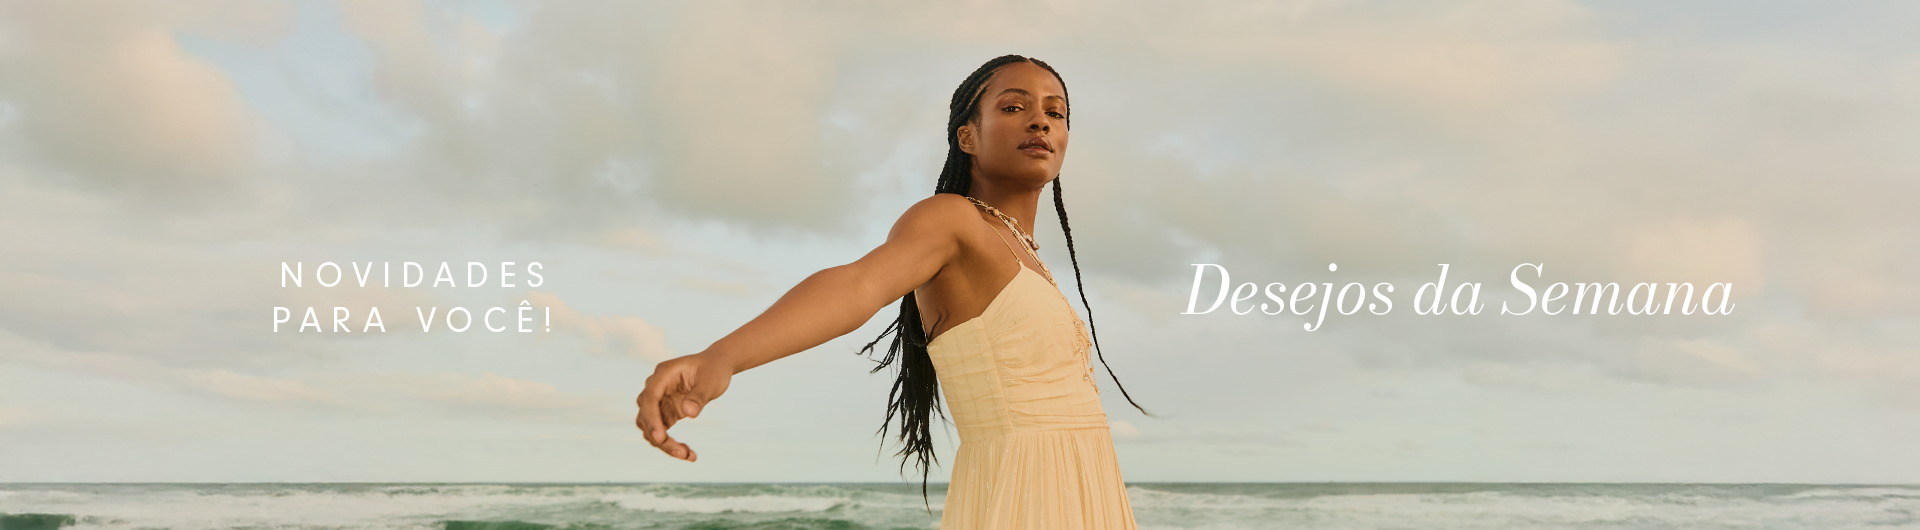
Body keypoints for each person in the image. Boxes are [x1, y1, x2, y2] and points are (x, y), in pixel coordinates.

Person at [634, 54, 1148, 529]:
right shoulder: (951, 219)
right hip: (1026, 497)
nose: (1040, 121)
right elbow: (858, 284)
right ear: (967, 137)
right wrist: (722, 357)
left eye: (1055, 113)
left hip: (1086, 492)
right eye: (1014, 106)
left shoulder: (1026, 254)